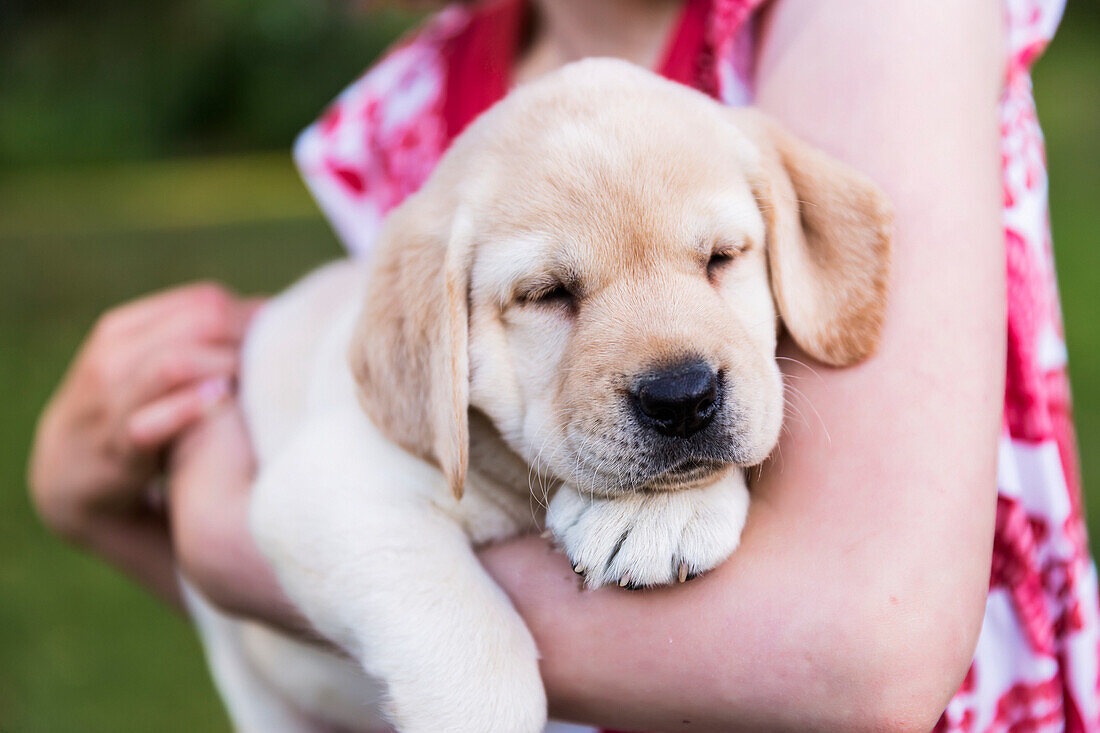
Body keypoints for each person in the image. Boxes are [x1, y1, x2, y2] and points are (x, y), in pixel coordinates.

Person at [28, 0, 1096, 730]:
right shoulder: (424, 138)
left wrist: (212, 523)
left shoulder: (865, 28)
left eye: (718, 256)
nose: (675, 373)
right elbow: (330, 611)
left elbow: (863, 646)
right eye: (550, 293)